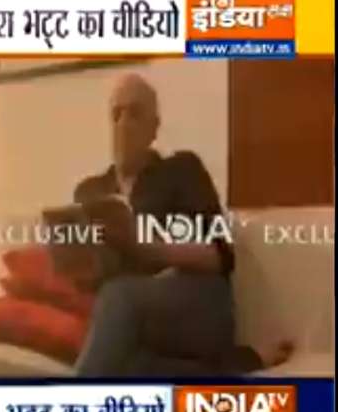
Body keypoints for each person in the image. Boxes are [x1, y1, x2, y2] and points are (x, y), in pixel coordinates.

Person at [73, 74, 293, 377]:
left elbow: (221, 254)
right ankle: (231, 365)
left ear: (154, 128)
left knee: (118, 296)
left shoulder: (181, 169)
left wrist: (151, 249)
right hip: (129, 317)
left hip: (196, 301)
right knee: (125, 359)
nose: (123, 124)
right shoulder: (90, 192)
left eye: (135, 113)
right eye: (116, 114)